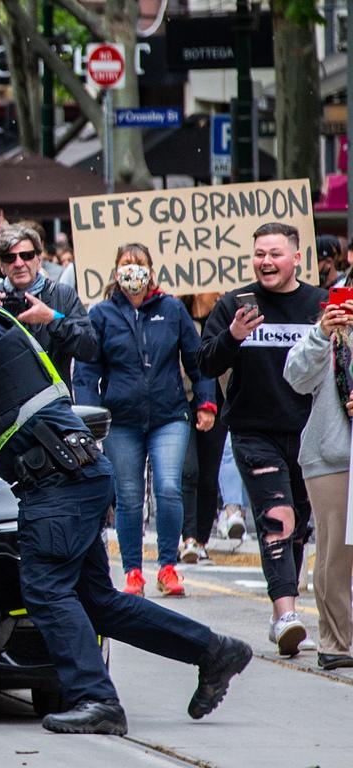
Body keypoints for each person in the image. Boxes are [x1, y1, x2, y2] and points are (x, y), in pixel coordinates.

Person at [0, 251, 250, 734]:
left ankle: (96, 699)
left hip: (56, 483)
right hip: (75, 476)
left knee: (45, 591)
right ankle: (214, 651)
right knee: (98, 602)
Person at [198, 222, 328, 656]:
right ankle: (288, 612)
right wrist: (233, 335)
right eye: (259, 254)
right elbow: (205, 363)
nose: (266, 261)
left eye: (274, 253)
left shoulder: (319, 304)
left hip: (311, 432)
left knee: (299, 527)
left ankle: (279, 619)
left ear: (295, 257)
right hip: (254, 430)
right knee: (278, 518)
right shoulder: (237, 304)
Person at [74, 244, 217, 597]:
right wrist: (90, 418)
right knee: (129, 495)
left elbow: (198, 360)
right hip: (121, 421)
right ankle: (134, 571)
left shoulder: (172, 310)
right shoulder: (102, 315)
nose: (132, 272)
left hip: (169, 415)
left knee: (169, 487)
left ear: (151, 271)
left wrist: (206, 402)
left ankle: (167, 567)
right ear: (116, 271)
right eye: (126, 265)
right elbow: (87, 370)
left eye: (139, 265)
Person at [283, 297, 353, 669]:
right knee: (337, 550)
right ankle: (335, 641)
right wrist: (322, 332)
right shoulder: (329, 335)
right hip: (331, 456)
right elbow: (296, 377)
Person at [0, 225, 97, 391]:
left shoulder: (62, 295)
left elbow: (89, 349)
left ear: (39, 259)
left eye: (27, 255)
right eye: (10, 258)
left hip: (54, 406)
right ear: (1, 265)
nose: (19, 263)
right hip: (6, 407)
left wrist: (53, 318)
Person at [179, 293, 230, 563]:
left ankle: (201, 538)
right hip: (182, 399)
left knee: (209, 474)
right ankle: (187, 537)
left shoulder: (227, 313)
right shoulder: (176, 311)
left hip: (219, 400)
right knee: (188, 470)